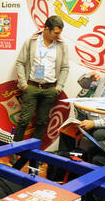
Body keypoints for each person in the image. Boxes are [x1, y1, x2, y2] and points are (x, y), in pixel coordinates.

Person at [12, 15, 69, 169]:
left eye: (60, 32)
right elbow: (20, 63)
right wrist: (23, 84)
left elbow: (65, 67)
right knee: (24, 121)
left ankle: (34, 154)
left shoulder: (62, 46)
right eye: (56, 33)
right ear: (46, 29)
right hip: (31, 87)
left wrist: (59, 87)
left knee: (42, 122)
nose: (59, 36)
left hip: (50, 89)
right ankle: (15, 153)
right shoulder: (31, 42)